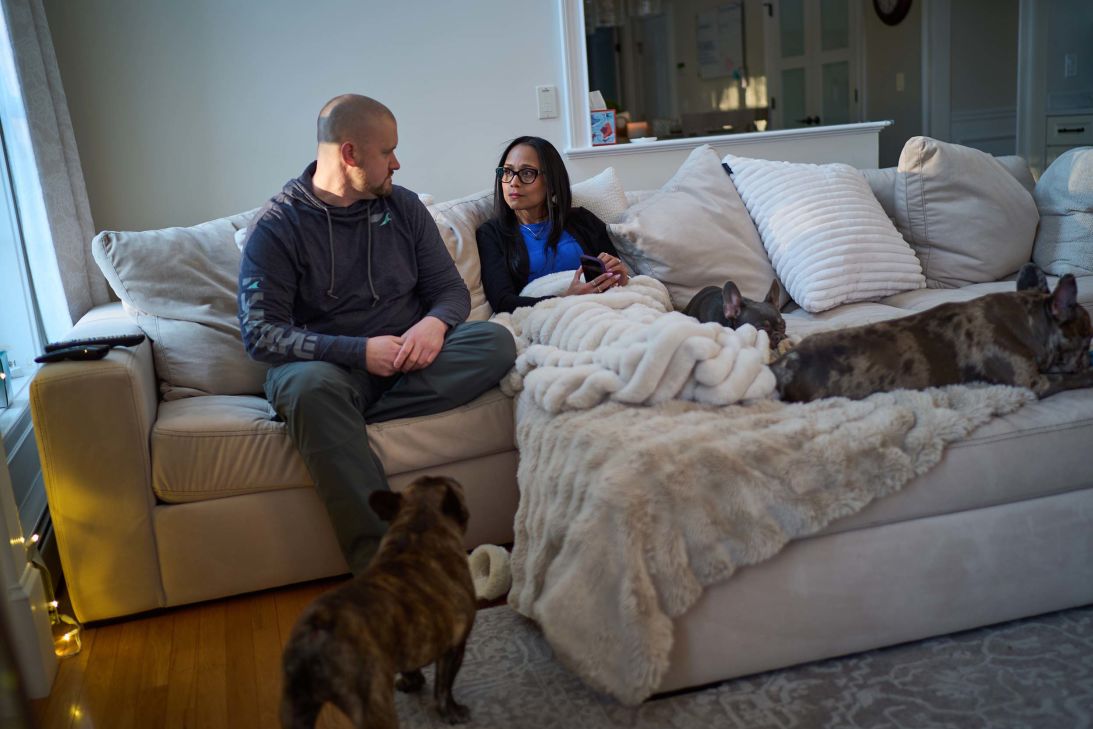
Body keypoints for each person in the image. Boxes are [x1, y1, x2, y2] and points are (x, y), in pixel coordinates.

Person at [238, 94, 516, 574]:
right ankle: (387, 568)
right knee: (308, 388)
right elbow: (260, 334)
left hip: (410, 363)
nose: (397, 163)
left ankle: (334, 425)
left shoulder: (403, 207)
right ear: (349, 154)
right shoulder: (278, 226)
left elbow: (450, 290)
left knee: (495, 343)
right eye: (387, 152)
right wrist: (360, 352)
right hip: (329, 371)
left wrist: (433, 324)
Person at [475, 136, 630, 314]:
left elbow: (613, 275)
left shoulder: (583, 219)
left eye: (527, 173)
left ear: (551, 181)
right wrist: (565, 299)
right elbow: (503, 302)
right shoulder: (491, 234)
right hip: (547, 317)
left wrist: (619, 276)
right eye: (507, 172)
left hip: (603, 308)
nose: (513, 182)